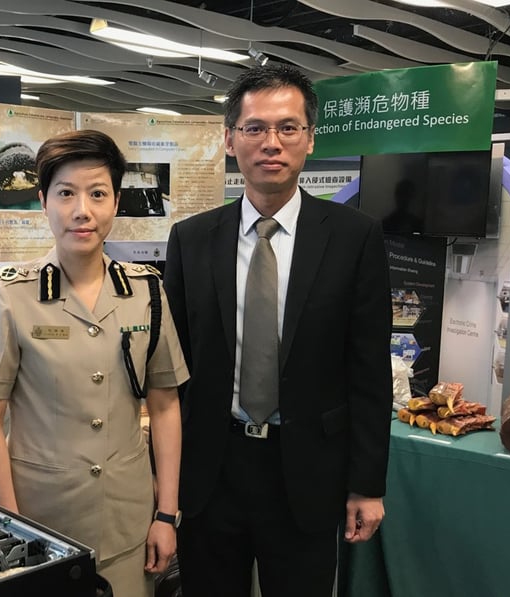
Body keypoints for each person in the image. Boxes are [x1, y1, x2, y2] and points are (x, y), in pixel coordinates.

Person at [163, 63, 393, 596]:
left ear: (310, 139)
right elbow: (170, 369)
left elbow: (368, 373)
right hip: (211, 472)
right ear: (229, 139)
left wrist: (367, 485)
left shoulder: (354, 238)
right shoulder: (192, 240)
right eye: (255, 128)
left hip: (308, 471)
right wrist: (164, 485)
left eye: (288, 127)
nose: (272, 142)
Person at [0, 130, 188, 597]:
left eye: (98, 193)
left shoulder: (146, 292)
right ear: (43, 201)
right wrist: (10, 526)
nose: (82, 210)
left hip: (129, 524)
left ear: (116, 202)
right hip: (42, 525)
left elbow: (164, 406)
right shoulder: (10, 294)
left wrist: (166, 514)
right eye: (66, 193)